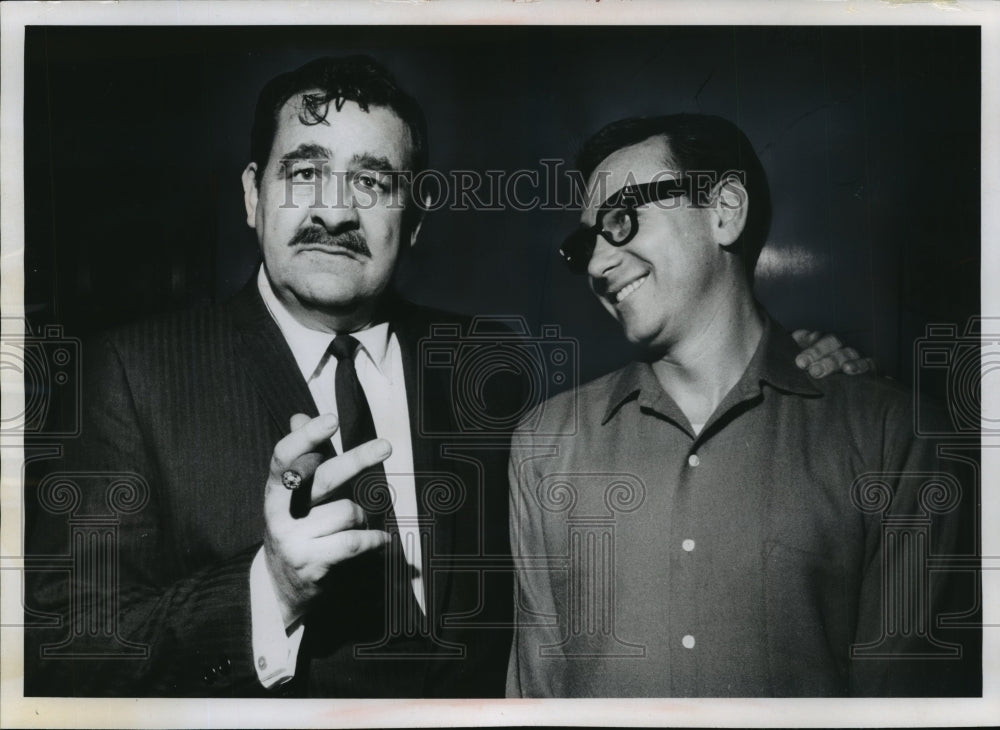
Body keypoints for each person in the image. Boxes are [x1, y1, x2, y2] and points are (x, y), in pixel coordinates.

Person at [23, 57, 868, 698]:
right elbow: (68, 646)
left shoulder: (488, 367)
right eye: (304, 172)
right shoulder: (132, 374)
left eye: (372, 181)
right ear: (253, 195)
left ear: (415, 218)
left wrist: (808, 369)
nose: (333, 210)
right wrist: (267, 588)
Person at [506, 114, 980, 697]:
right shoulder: (548, 442)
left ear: (725, 210)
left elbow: (906, 700)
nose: (600, 266)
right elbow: (537, 691)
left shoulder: (893, 436)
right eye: (587, 244)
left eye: (621, 221)